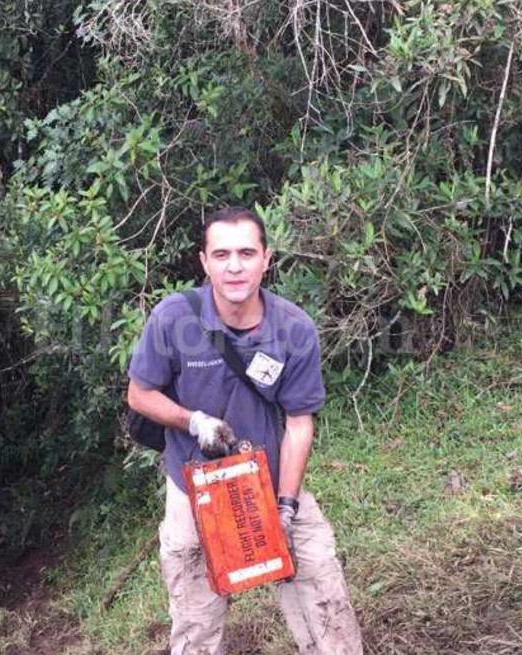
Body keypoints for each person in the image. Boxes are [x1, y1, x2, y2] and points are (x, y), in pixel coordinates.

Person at [127, 207, 363, 655]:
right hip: (193, 487)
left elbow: (298, 424)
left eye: (246, 253)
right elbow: (139, 394)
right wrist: (193, 421)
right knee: (196, 624)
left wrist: (287, 507)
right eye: (222, 254)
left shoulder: (293, 328)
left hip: (270, 482)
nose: (234, 266)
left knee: (324, 594)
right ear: (204, 261)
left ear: (266, 259)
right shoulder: (175, 318)